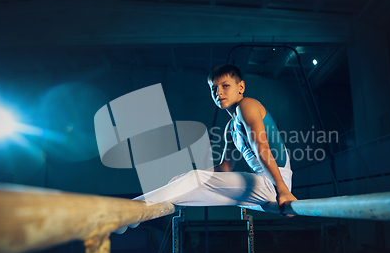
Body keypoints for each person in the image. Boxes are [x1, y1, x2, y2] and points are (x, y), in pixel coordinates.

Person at [118, 64, 297, 233]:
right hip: (262, 184)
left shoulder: (247, 105)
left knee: (194, 181)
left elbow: (262, 148)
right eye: (214, 89)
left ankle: (130, 210)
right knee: (191, 184)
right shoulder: (230, 127)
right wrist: (186, 177)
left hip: (275, 181)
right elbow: (225, 168)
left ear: (240, 87)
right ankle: (135, 215)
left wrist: (283, 191)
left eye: (225, 86)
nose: (219, 92)